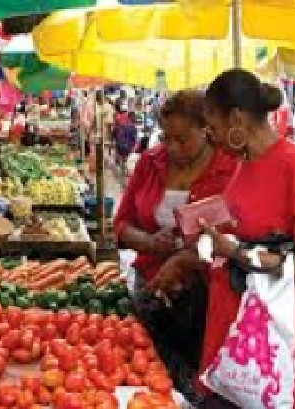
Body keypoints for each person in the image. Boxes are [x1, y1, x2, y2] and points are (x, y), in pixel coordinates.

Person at [149, 69, 295, 409]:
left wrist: (239, 252)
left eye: (213, 129)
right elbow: (241, 237)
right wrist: (195, 253)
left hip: (276, 357)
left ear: (237, 118)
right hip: (236, 348)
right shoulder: (245, 165)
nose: (212, 140)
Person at [113, 90, 238, 401]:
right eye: (167, 137)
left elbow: (241, 236)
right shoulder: (151, 161)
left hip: (207, 291)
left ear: (205, 128)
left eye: (182, 139)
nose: (172, 147)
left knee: (199, 374)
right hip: (154, 283)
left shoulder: (231, 168)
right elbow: (121, 224)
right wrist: (150, 242)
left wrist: (188, 258)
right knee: (154, 371)